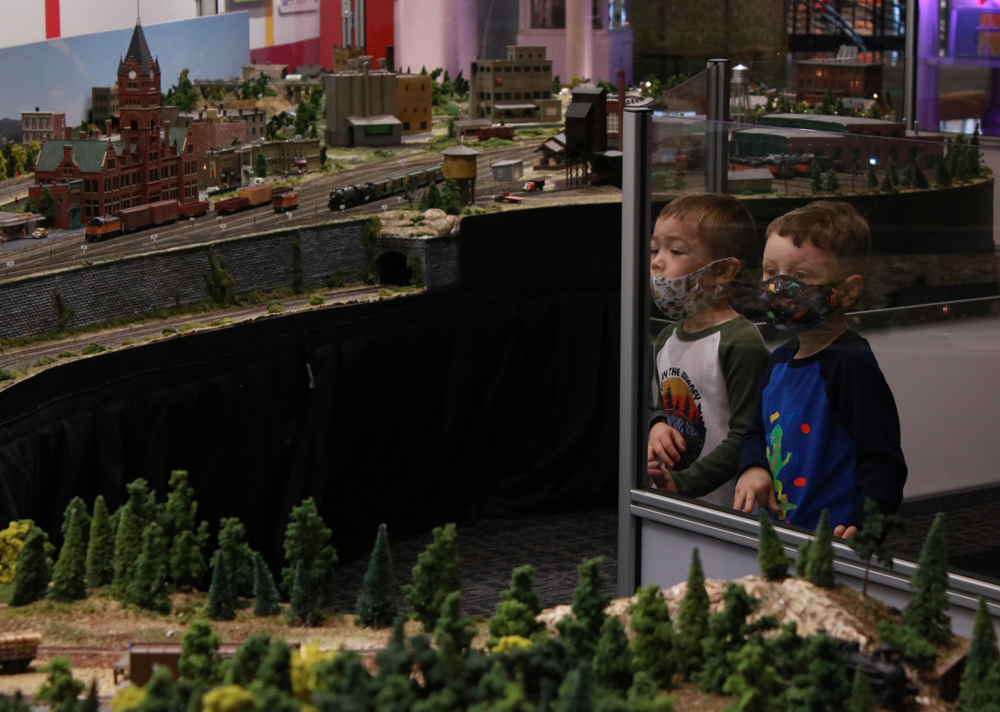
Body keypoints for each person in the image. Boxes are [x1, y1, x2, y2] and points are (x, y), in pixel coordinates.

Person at [734, 201, 907, 537]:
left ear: (846, 291)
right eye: (770, 272)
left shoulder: (850, 363)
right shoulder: (780, 359)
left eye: (799, 275)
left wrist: (865, 524)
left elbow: (881, 459)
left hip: (834, 538)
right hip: (780, 532)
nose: (778, 287)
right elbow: (756, 431)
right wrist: (754, 467)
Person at [647, 193, 771, 507]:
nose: (657, 261)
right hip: (679, 498)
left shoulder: (740, 341)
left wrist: (686, 483)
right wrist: (658, 424)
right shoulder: (665, 338)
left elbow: (750, 431)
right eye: (654, 248)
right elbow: (663, 403)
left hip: (730, 507)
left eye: (675, 251)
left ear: (724, 271)